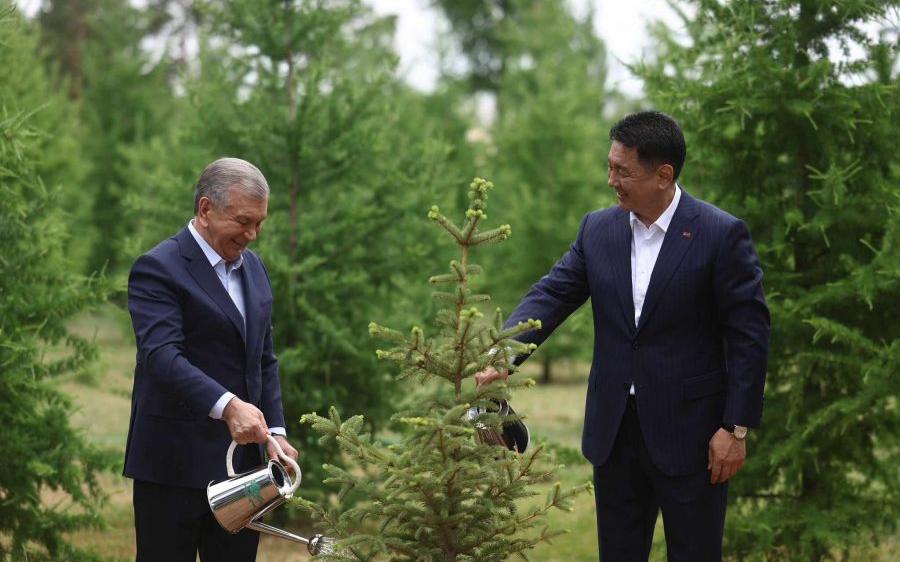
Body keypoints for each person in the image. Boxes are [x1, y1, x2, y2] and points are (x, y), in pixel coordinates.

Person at [475, 111, 770, 562]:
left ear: (663, 175)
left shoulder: (720, 235)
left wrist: (735, 427)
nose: (610, 179)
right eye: (610, 166)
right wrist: (503, 354)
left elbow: (750, 336)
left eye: (622, 170)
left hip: (694, 437)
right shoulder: (598, 229)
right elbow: (551, 294)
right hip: (613, 434)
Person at [124, 157, 298, 562]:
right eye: (243, 221)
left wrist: (275, 431)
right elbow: (161, 356)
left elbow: (264, 359)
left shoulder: (255, 268)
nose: (252, 234)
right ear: (206, 209)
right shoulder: (158, 268)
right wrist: (230, 407)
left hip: (244, 472)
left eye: (260, 223)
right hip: (171, 466)